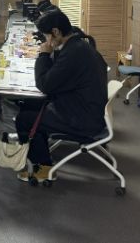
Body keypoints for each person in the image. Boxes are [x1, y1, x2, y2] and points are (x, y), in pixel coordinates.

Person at [15, 10, 108, 182]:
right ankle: (41, 157)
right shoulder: (79, 46)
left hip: (82, 119)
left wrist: (43, 54)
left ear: (56, 32)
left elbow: (45, 84)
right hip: (87, 109)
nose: (46, 41)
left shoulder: (73, 53)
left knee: (24, 119)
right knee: (30, 105)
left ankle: (43, 169)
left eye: (46, 36)